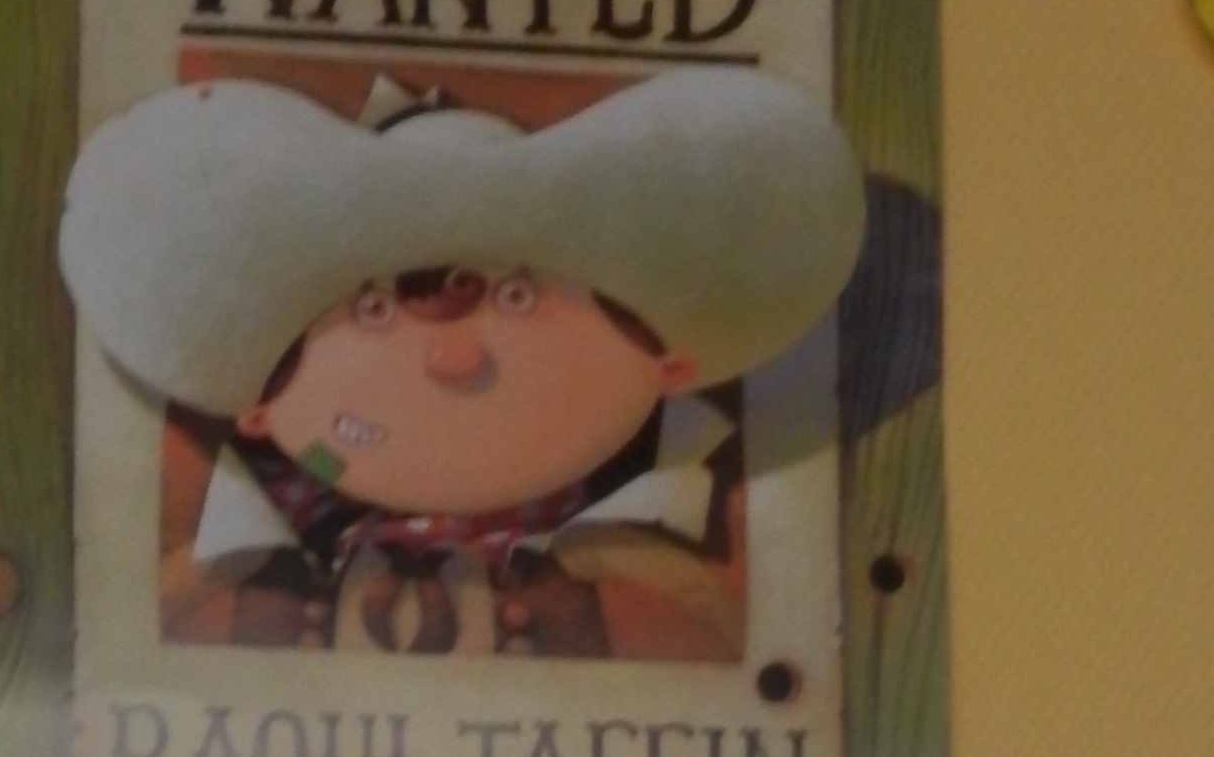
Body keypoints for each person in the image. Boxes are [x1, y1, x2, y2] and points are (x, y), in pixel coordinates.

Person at [61, 62, 867, 654]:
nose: (453, 357)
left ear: (667, 362)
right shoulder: (231, 567)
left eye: (518, 298)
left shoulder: (645, 573)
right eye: (374, 312)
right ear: (256, 406)